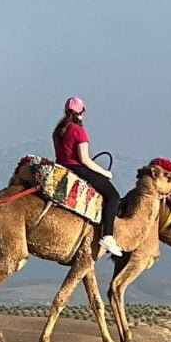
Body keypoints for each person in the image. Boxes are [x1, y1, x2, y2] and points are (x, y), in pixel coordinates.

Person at [52, 97, 123, 257]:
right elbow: (84, 159)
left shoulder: (58, 130)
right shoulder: (78, 131)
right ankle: (108, 236)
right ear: (81, 112)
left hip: (62, 168)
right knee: (113, 196)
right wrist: (105, 173)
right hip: (77, 168)